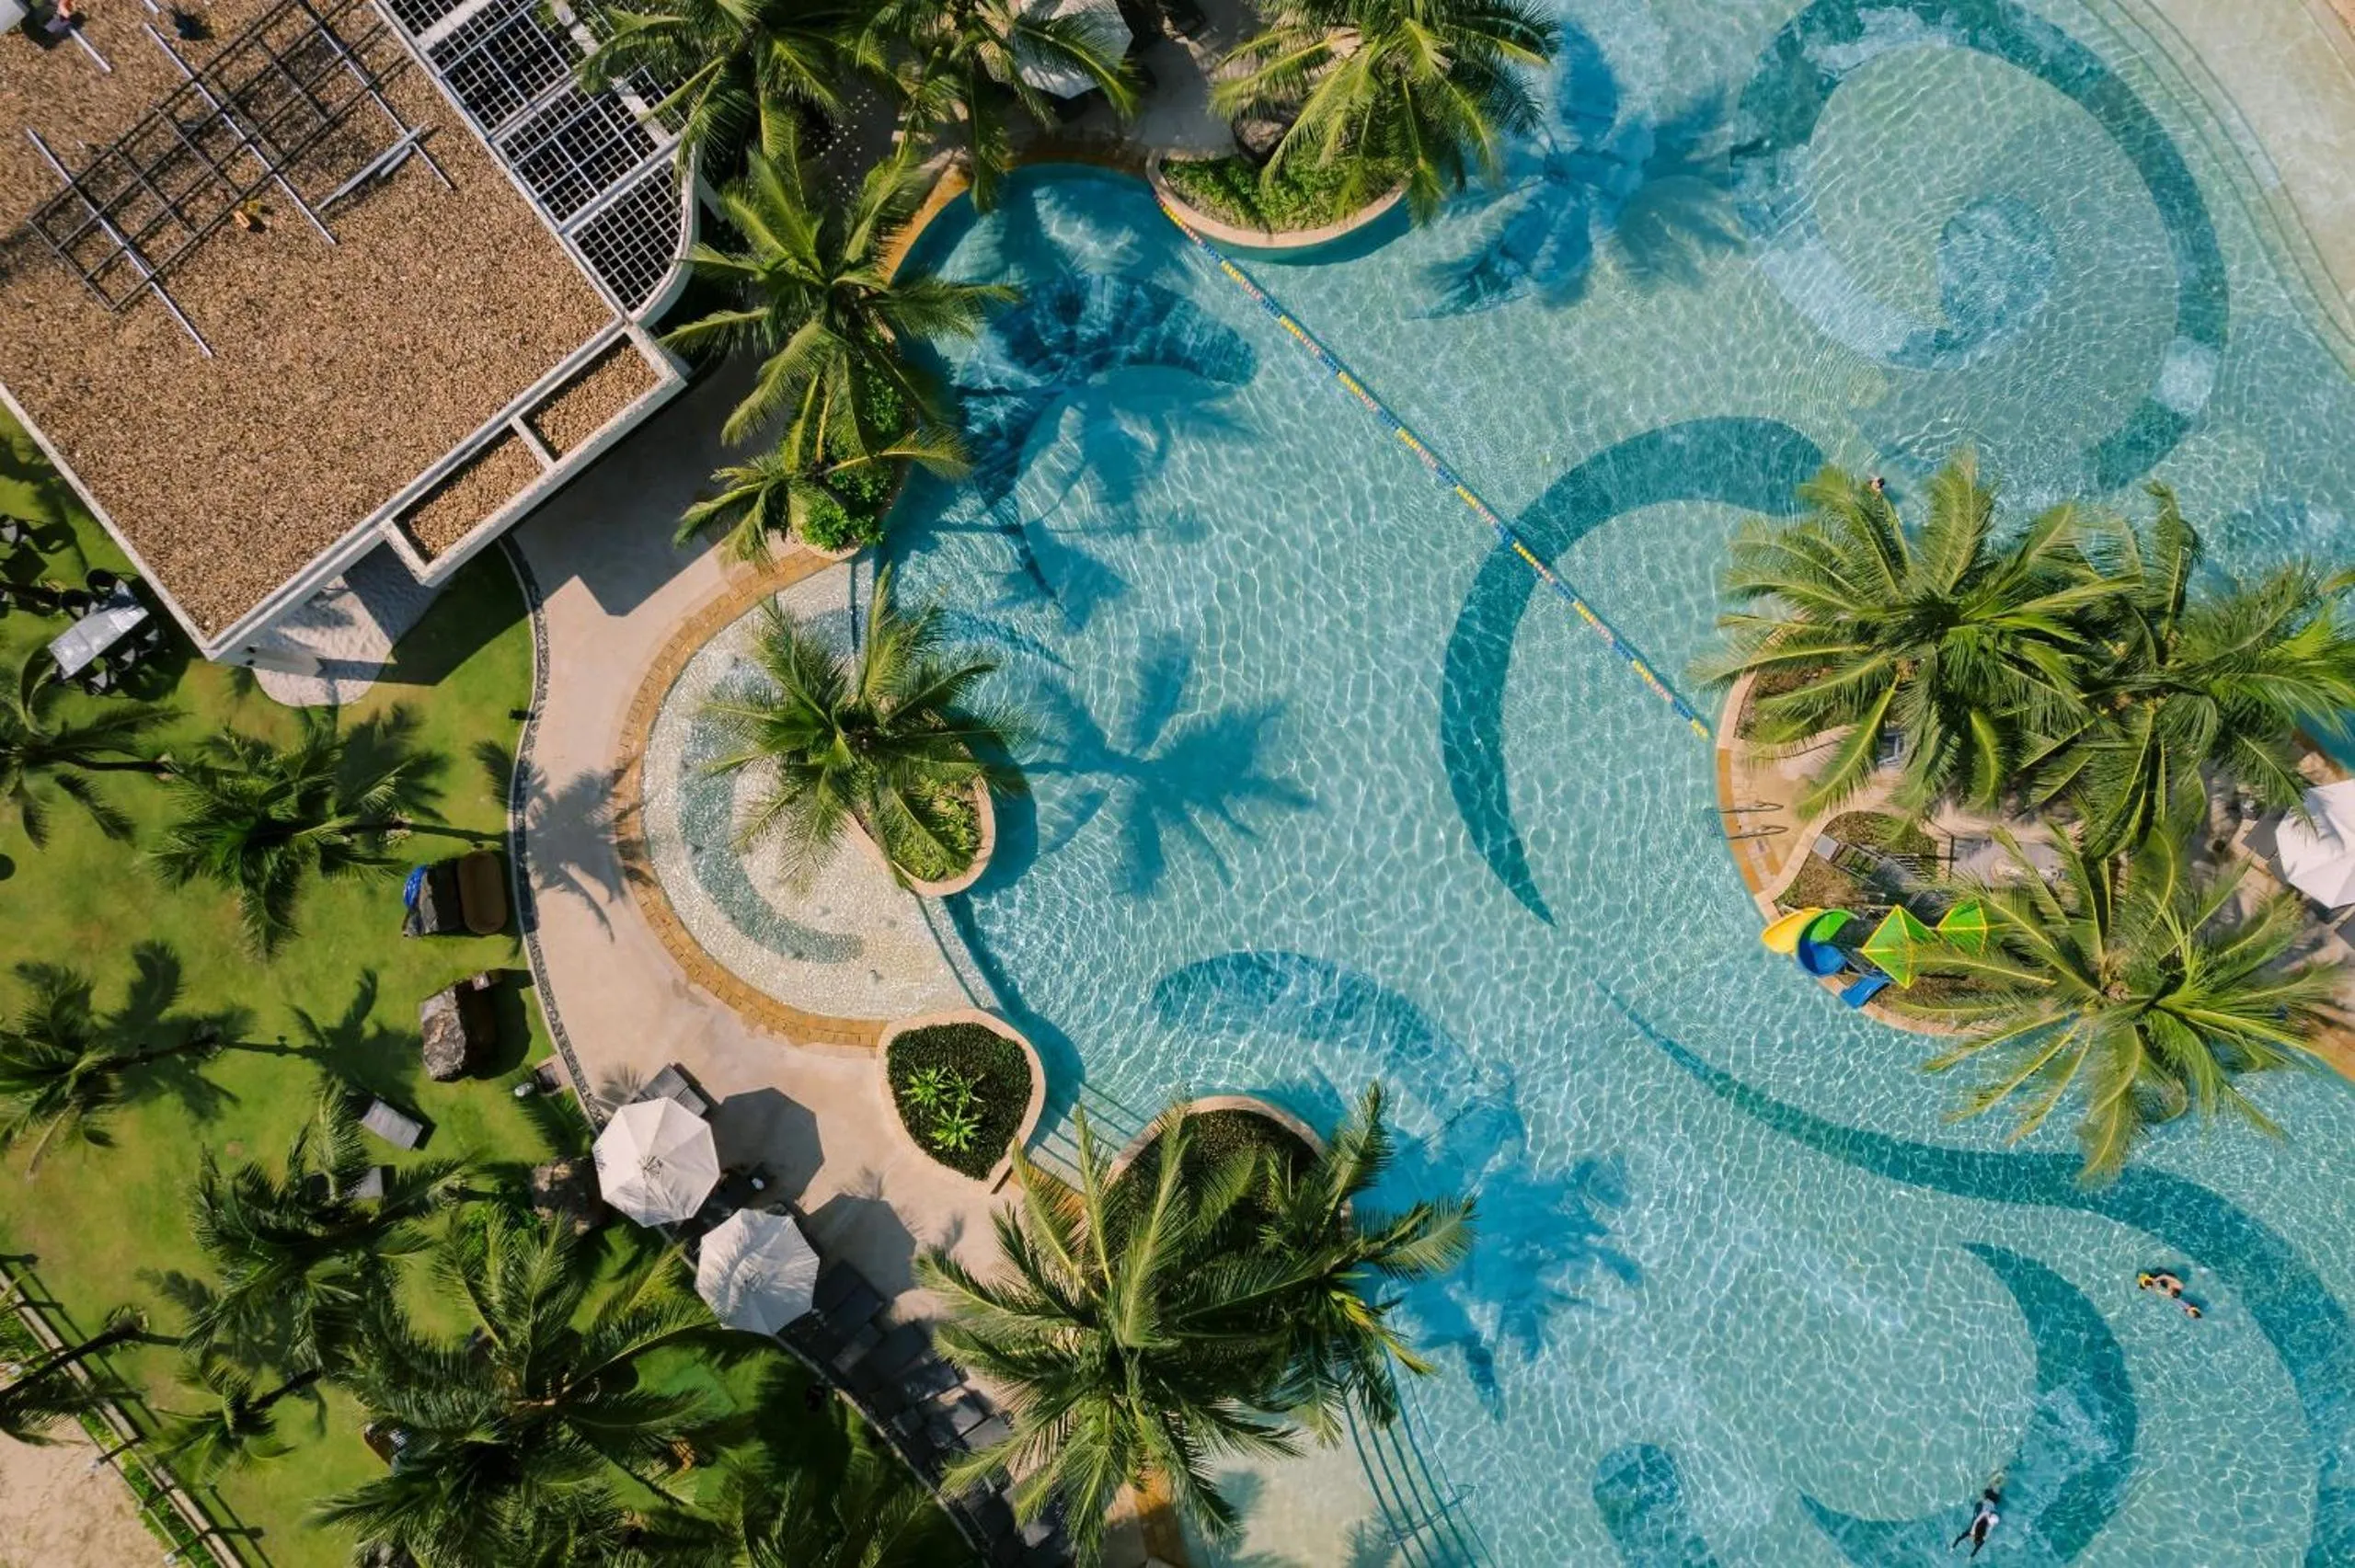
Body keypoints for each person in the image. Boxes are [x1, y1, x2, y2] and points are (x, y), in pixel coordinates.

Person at [1953, 1485, 2000, 1557]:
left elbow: (1977, 1549)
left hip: (1994, 1501)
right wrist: (1952, 1547)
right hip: (1985, 1499)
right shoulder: (1971, 1530)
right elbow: (1959, 1538)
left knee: (1997, 1485)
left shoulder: (1984, 1535)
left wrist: (1970, 1557)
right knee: (1987, 1488)